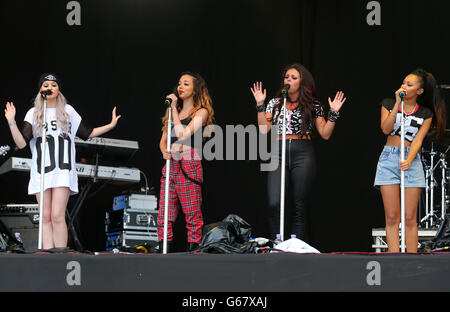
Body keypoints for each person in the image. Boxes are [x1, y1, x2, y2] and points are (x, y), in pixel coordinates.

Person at [4, 73, 121, 250]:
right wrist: (11, 122)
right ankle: (47, 254)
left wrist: (110, 125)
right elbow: (21, 143)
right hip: (42, 170)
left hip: (62, 170)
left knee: (58, 215)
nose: (49, 88)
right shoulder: (34, 113)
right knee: (45, 216)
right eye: (45, 85)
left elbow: (86, 133)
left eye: (53, 85)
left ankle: (60, 255)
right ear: (40, 90)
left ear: (58, 90)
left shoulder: (68, 111)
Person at [251, 63, 346, 242]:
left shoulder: (313, 104)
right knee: (274, 203)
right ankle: (276, 243)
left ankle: (296, 245)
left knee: (298, 203)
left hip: (302, 152)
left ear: (302, 82)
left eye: (294, 78)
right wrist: (260, 105)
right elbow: (264, 129)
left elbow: (325, 134)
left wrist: (333, 113)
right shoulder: (276, 103)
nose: (289, 80)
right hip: (278, 151)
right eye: (287, 77)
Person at [374, 68, 446, 253]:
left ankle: (412, 262)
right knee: (391, 217)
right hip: (389, 158)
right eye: (403, 82)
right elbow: (385, 128)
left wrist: (409, 159)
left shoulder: (425, 113)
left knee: (409, 217)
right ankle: (393, 259)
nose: (404, 86)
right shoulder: (389, 103)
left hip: (411, 161)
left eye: (409, 84)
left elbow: (418, 140)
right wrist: (397, 103)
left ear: (419, 91)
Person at [158, 71, 214, 252]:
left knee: (192, 213)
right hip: (171, 164)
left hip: (189, 163)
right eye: (180, 83)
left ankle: (194, 251)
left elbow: (183, 134)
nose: (181, 87)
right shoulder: (172, 113)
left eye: (186, 84)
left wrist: (173, 109)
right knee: (165, 212)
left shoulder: (201, 112)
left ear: (196, 89)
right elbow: (163, 139)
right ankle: (162, 249)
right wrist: (164, 151)